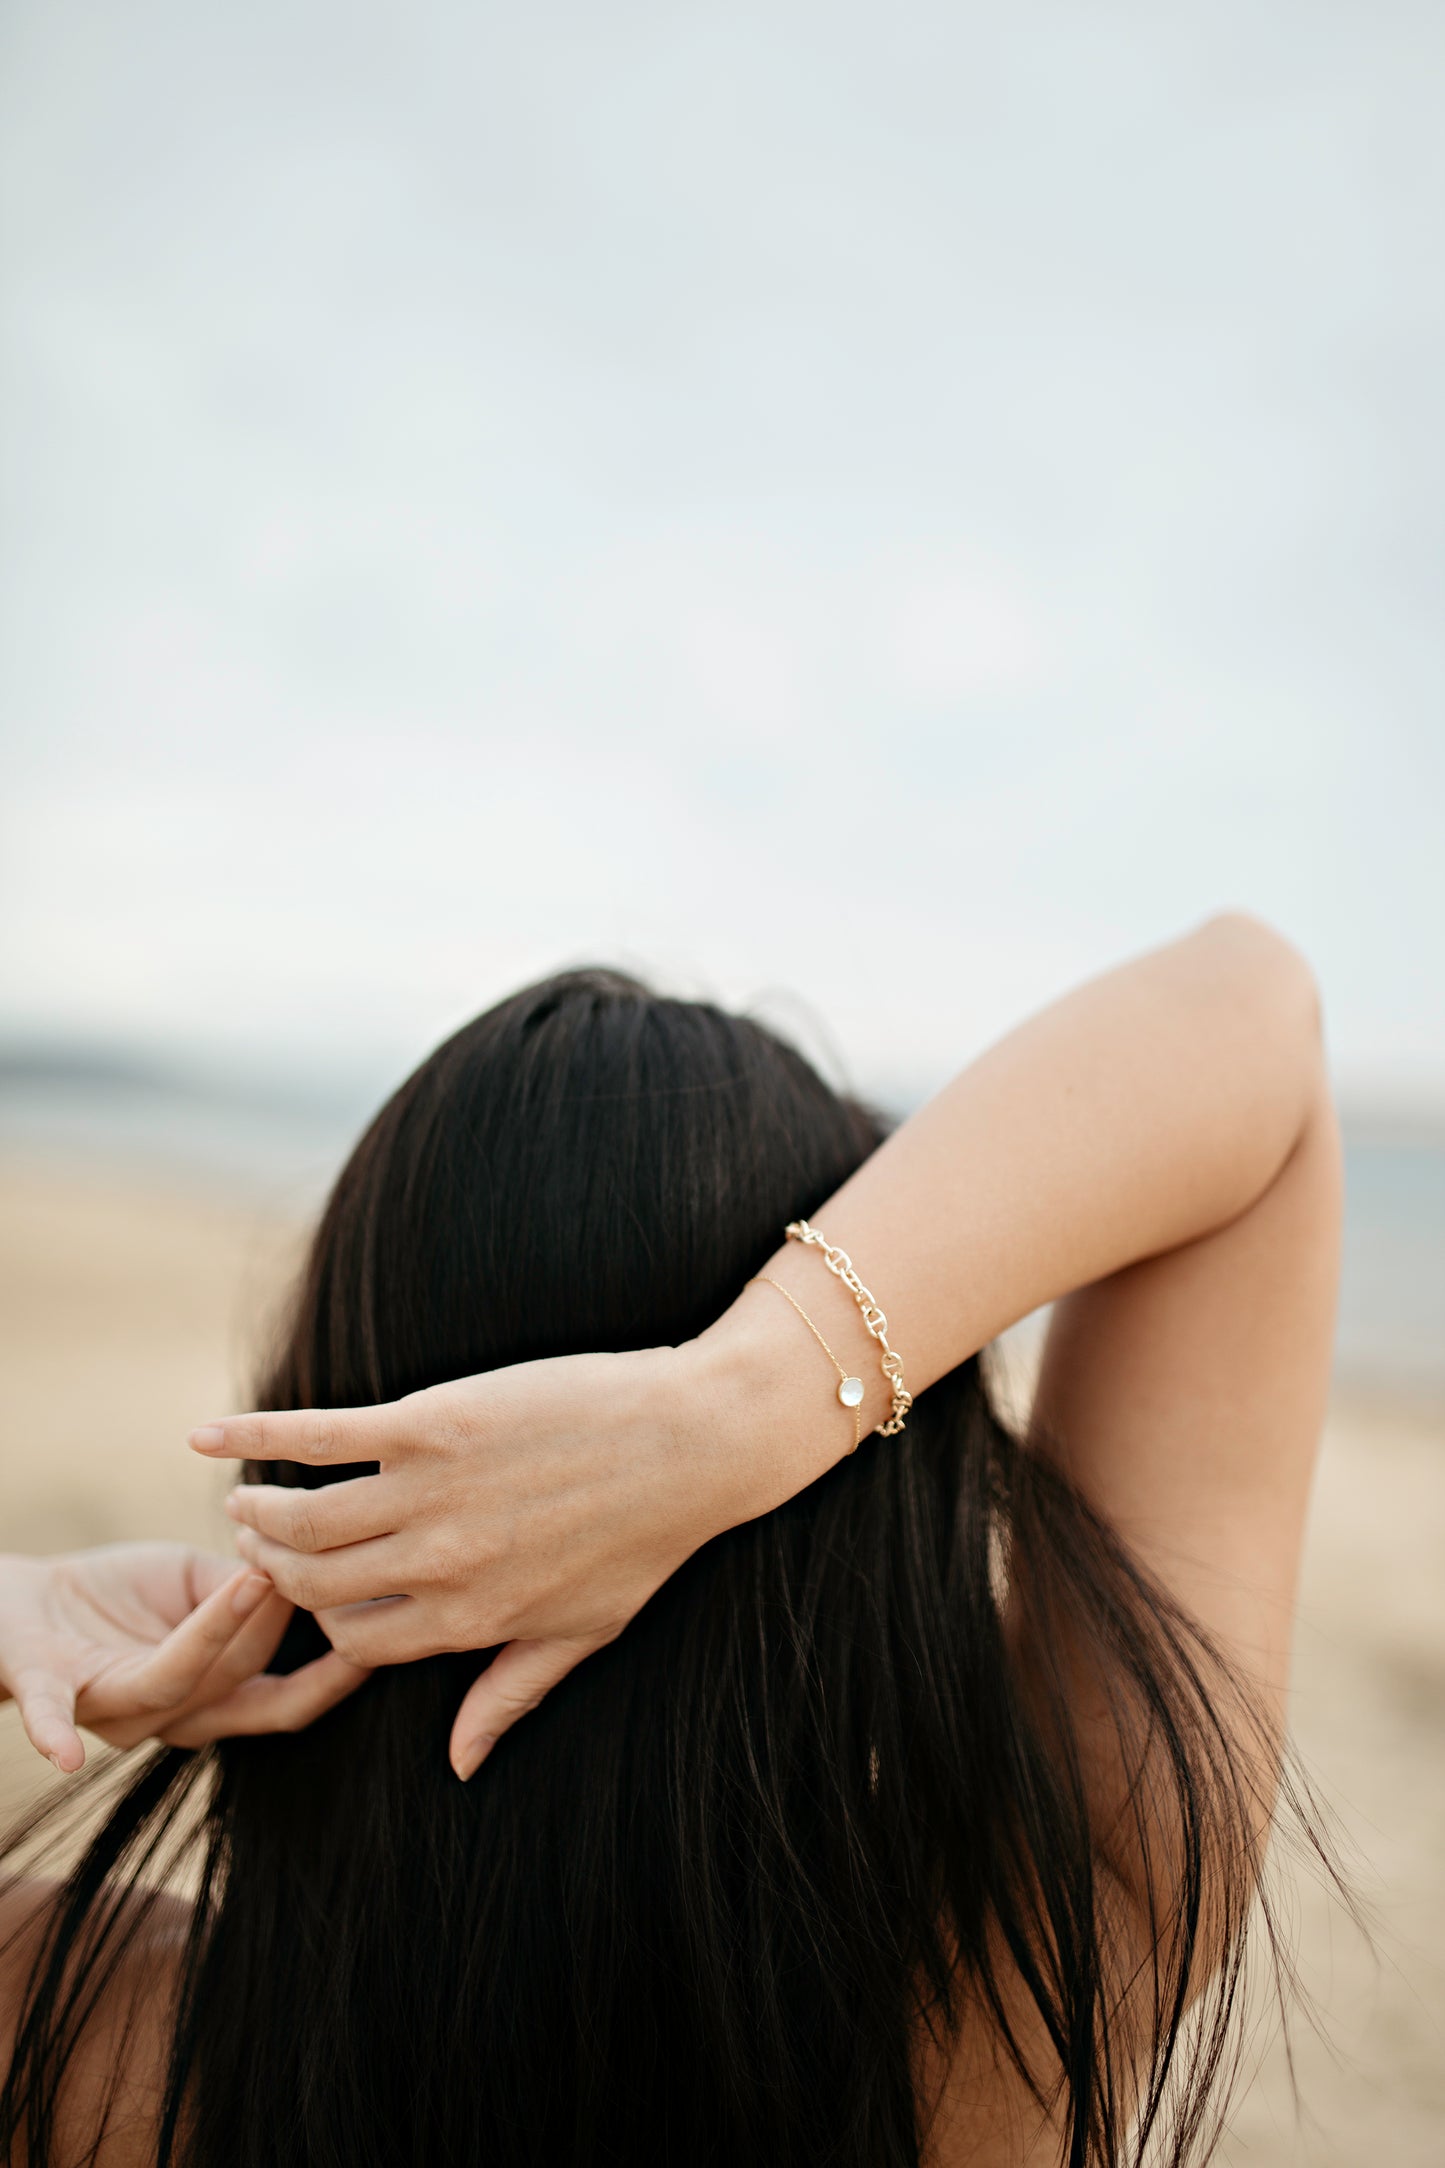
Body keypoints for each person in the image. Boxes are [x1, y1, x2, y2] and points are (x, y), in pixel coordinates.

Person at [0, 915, 1343, 2167]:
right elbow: (1254, 1016)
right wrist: (761, 1400)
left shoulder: (77, 2039)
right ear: (882, 1535)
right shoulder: (1022, 2005)